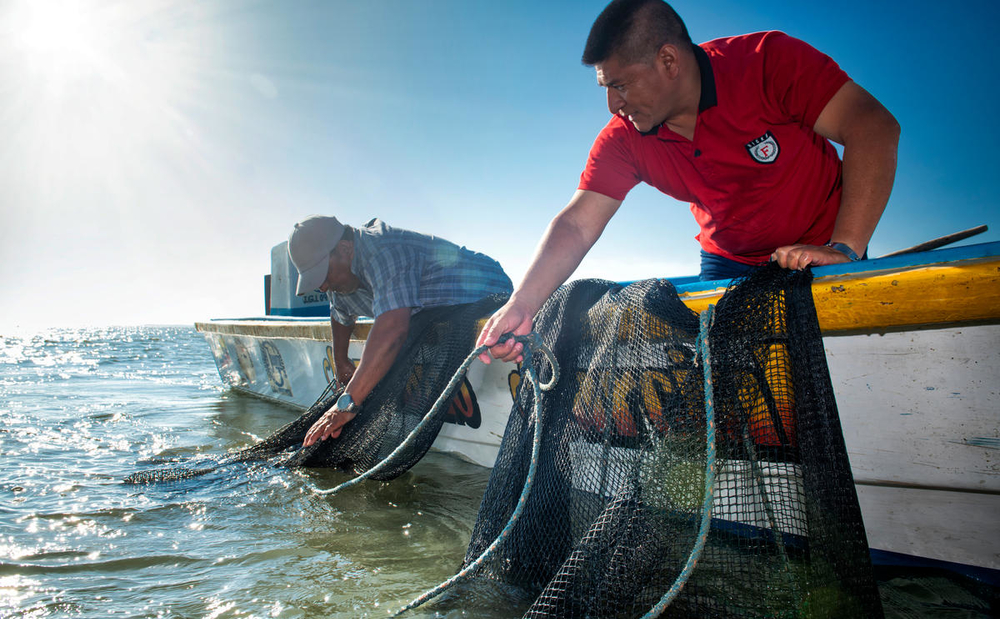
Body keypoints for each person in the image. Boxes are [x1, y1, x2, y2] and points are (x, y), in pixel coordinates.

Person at [478, 0, 899, 364]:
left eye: (620, 85)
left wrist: (844, 248)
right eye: (606, 88)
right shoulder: (623, 138)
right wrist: (523, 302)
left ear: (668, 61)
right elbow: (577, 222)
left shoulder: (766, 60)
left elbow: (872, 126)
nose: (612, 104)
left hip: (821, 248)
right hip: (727, 261)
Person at [288, 215, 513, 447]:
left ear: (345, 249)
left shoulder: (384, 249)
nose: (323, 286)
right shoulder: (339, 278)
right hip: (426, 313)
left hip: (488, 290)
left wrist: (347, 403)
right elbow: (339, 315)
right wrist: (342, 361)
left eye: (324, 275)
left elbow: (393, 330)